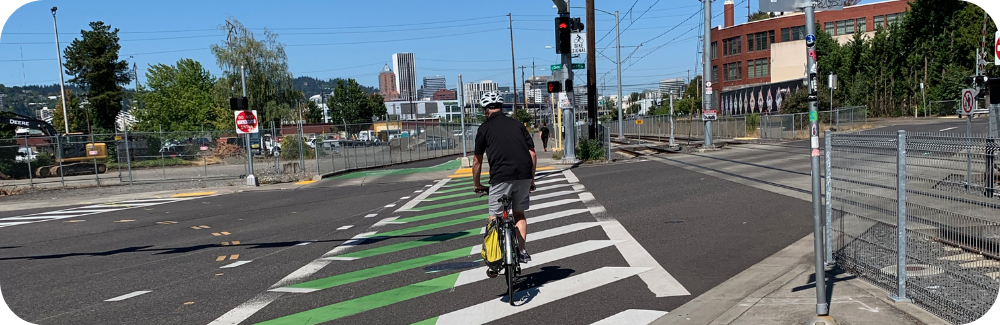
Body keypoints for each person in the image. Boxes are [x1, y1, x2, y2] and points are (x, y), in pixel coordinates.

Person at [472, 92, 537, 266]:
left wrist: (477, 184)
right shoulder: (518, 125)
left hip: (500, 177)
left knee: (494, 216)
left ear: (486, 110)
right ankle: (522, 251)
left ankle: (494, 260)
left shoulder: (484, 128)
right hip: (523, 175)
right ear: (502, 107)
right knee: (518, 214)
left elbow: (477, 161)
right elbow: (532, 153)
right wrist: (531, 180)